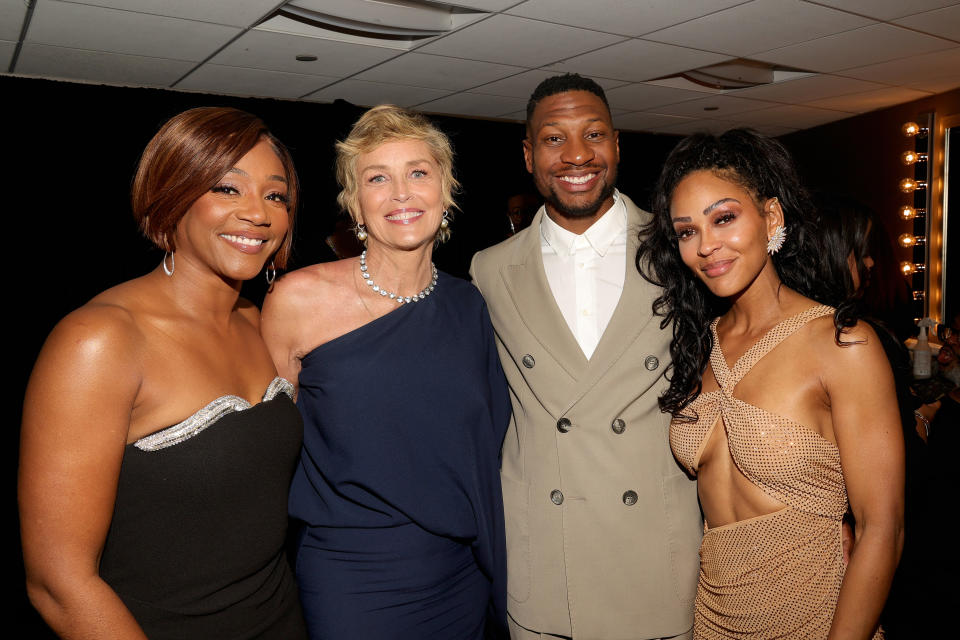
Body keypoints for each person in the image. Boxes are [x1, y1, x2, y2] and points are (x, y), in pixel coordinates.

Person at [19, 107, 307, 639]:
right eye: (227, 188)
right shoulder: (101, 340)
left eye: (276, 195)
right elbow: (58, 584)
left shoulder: (260, 322)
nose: (258, 214)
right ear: (172, 196)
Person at [638, 128, 904, 639]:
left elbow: (882, 529)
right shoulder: (698, 344)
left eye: (724, 218)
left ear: (772, 217)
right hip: (715, 616)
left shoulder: (841, 344)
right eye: (686, 231)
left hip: (818, 615)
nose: (706, 245)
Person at [261, 104, 510, 639]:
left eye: (418, 173)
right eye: (378, 178)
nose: (401, 194)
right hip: (352, 573)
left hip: (461, 568)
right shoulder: (297, 300)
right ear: (355, 202)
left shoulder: (470, 306)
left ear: (446, 192)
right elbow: (263, 449)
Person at [470, 73, 702, 640]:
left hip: (656, 561)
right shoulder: (489, 270)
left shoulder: (682, 251)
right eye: (554, 139)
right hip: (547, 565)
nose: (577, 155)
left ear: (617, 146)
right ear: (528, 155)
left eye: (593, 134)